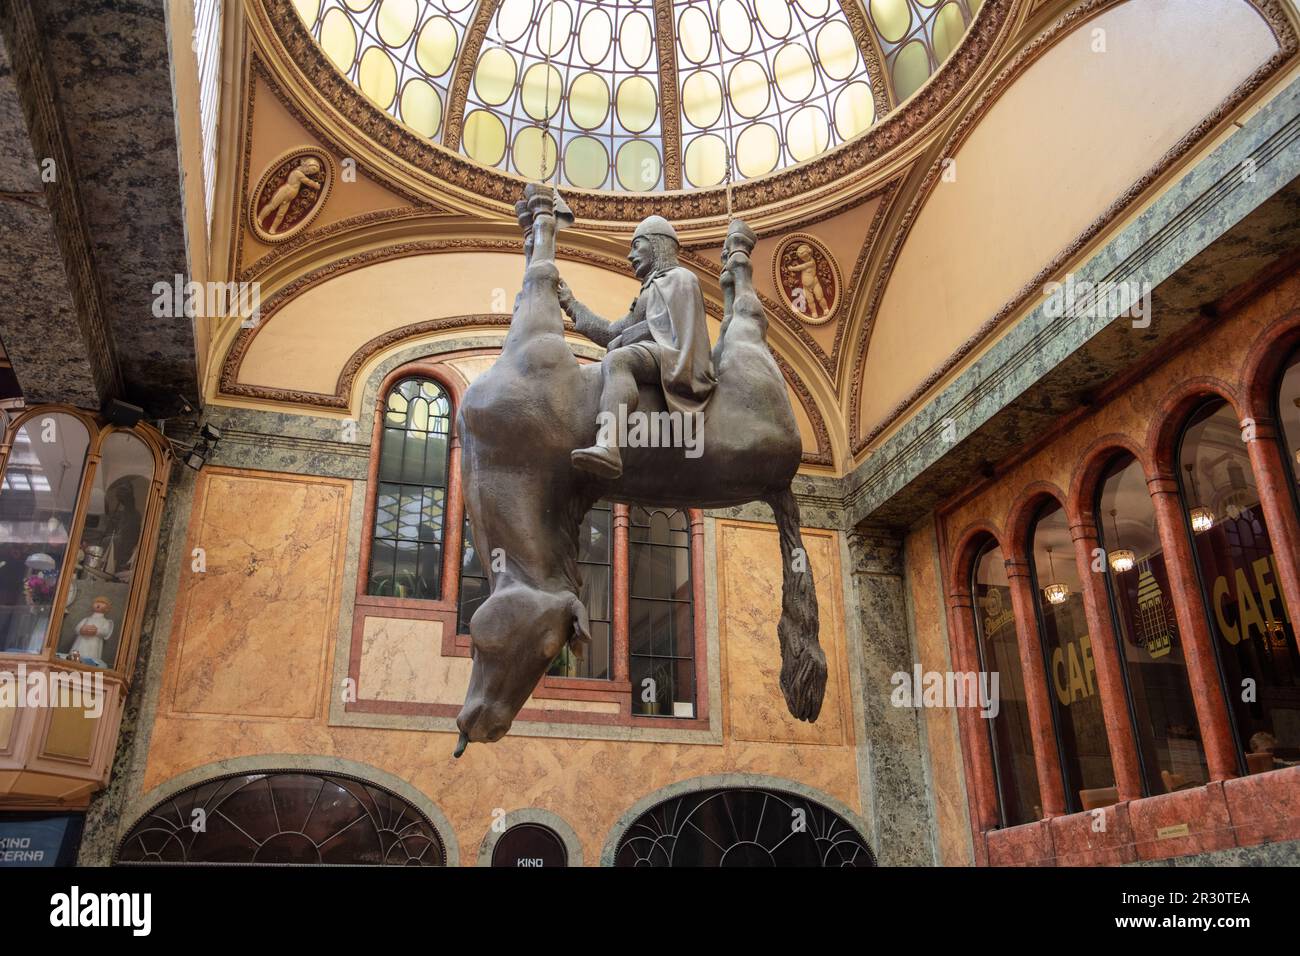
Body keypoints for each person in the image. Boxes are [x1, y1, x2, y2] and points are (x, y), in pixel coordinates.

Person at [557, 215, 716, 479]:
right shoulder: (649, 290)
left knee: (619, 360)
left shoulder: (682, 279)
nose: (630, 256)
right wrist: (572, 305)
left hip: (676, 358)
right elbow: (611, 331)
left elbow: (672, 333)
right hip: (656, 353)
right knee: (617, 355)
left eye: (636, 245)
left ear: (656, 245)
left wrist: (625, 340)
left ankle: (609, 445)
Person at [258, 157, 323, 234]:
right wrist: (316, 185)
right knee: (272, 206)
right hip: (284, 192)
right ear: (306, 166)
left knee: (281, 214)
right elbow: (307, 181)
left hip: (289, 198)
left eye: (312, 173)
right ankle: (260, 218)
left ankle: (273, 228)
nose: (309, 173)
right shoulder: (297, 173)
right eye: (310, 171)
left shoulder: (301, 173)